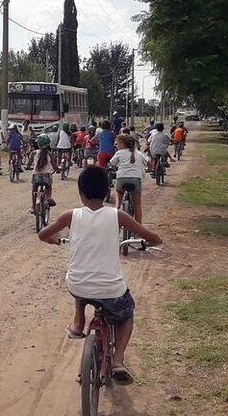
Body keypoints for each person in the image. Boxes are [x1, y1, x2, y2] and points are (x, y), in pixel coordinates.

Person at [38, 165, 162, 384]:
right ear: (107, 192)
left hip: (77, 285)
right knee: (126, 314)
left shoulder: (71, 215)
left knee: (79, 279)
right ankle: (118, 361)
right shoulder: (118, 215)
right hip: (111, 290)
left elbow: (43, 234)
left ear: (81, 193)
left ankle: (78, 323)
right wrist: (148, 242)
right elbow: (153, 238)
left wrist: (54, 240)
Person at [109, 134, 151, 223]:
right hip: (135, 181)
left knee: (118, 194)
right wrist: (148, 170)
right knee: (137, 205)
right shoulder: (139, 153)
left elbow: (112, 164)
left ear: (123, 144)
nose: (116, 146)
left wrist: (114, 169)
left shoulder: (119, 153)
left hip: (121, 180)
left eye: (117, 144)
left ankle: (116, 210)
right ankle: (138, 227)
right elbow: (149, 163)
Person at [31, 134, 58, 214]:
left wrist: (27, 167)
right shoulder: (49, 154)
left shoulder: (34, 153)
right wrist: (57, 169)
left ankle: (33, 207)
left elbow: (29, 164)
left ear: (38, 144)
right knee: (49, 186)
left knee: (34, 190)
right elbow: (54, 165)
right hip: (46, 176)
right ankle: (49, 197)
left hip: (36, 176)